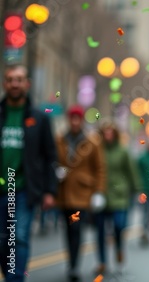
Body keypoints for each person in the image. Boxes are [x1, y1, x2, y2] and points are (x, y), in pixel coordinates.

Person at [0, 64, 57, 282]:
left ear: (27, 84)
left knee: (19, 237)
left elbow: (50, 157)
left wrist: (49, 191)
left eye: (19, 79)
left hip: (24, 190)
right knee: (3, 241)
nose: (15, 83)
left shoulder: (40, 119)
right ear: (5, 83)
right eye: (11, 79)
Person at [55, 105, 106, 282]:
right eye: (72, 118)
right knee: (68, 230)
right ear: (69, 120)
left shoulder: (92, 141)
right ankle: (71, 261)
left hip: (83, 194)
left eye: (78, 118)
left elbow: (99, 169)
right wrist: (56, 170)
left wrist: (98, 192)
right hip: (64, 193)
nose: (75, 122)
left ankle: (74, 265)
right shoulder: (60, 139)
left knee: (76, 228)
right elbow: (53, 160)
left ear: (82, 120)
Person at [94, 121, 141, 275]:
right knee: (100, 231)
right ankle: (102, 262)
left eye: (110, 132)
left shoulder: (123, 151)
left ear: (114, 134)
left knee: (118, 227)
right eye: (105, 132)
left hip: (120, 196)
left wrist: (137, 190)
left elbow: (131, 172)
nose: (108, 135)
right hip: (101, 196)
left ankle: (119, 257)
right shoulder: (97, 151)